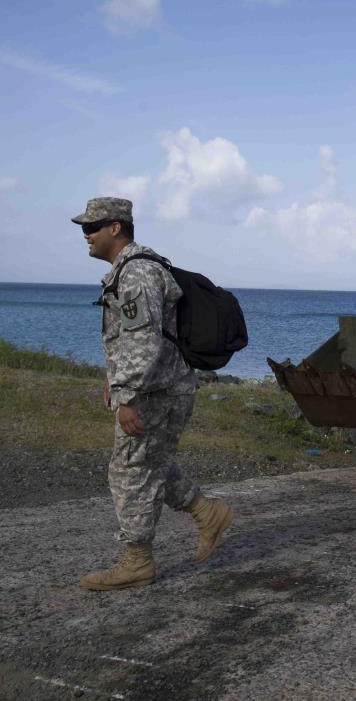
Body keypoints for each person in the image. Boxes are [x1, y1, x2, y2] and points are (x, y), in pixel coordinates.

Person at [72, 197, 234, 591]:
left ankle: (137, 561)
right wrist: (115, 379)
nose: (86, 236)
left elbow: (143, 341)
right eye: (83, 229)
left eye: (92, 228)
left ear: (116, 228)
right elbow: (130, 339)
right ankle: (207, 512)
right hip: (160, 385)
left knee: (130, 471)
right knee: (152, 462)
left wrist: (126, 394)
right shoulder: (132, 270)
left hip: (155, 391)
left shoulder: (138, 273)